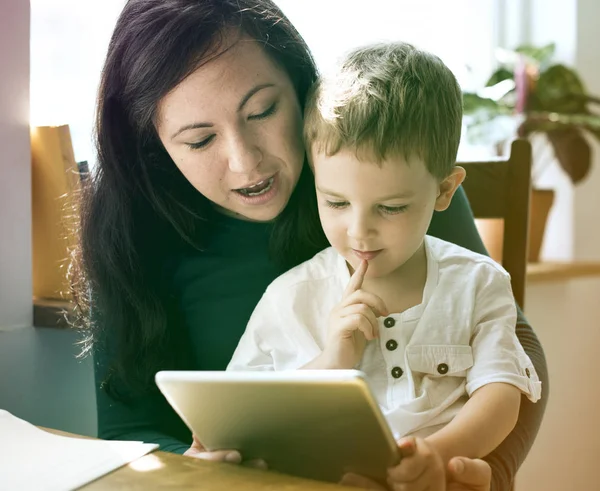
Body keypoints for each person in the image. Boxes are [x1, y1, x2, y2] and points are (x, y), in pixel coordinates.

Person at [71, 1, 548, 490]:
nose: (245, 162)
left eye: (262, 111)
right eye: (199, 140)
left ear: (300, 87)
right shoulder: (133, 234)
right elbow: (129, 430)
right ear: (151, 143)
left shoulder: (384, 167)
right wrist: (197, 467)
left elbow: (514, 350)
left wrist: (477, 473)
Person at [226, 42, 542, 490]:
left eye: (391, 208)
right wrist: (335, 359)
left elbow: (502, 396)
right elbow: (242, 418)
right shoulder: (291, 298)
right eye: (335, 202)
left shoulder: (477, 283)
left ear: (444, 191)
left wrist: (436, 455)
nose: (359, 232)